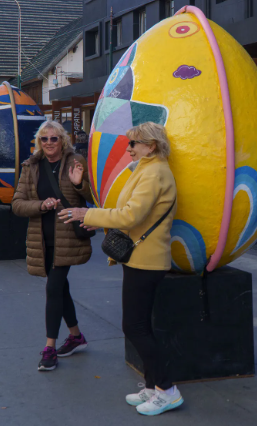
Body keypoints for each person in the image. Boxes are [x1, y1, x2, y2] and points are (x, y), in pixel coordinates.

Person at [59, 122, 183, 416]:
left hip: (146, 260)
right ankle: (154, 387)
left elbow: (130, 216)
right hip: (141, 258)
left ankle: (167, 390)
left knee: (134, 327)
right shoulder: (147, 169)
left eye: (133, 143)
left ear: (151, 145)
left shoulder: (153, 173)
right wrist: (98, 218)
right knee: (140, 325)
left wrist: (87, 213)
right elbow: (129, 212)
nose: (128, 149)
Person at [11, 120, 93, 373]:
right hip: (42, 240)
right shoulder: (31, 166)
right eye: (44, 139)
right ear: (39, 142)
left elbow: (93, 197)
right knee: (60, 288)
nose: (48, 143)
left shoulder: (75, 161)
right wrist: (41, 205)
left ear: (62, 140)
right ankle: (76, 336)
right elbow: (17, 204)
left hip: (67, 239)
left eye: (54, 138)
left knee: (53, 288)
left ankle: (49, 348)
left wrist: (79, 184)